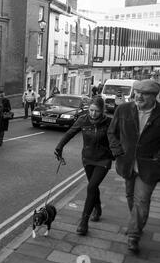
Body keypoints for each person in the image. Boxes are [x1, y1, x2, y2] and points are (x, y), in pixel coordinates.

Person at [107, 79, 160, 253]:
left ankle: (133, 235)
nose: (139, 96)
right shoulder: (123, 110)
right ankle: (136, 223)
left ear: (154, 96)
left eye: (144, 93)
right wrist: (117, 151)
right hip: (127, 164)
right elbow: (111, 132)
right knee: (130, 197)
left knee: (141, 200)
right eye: (137, 92)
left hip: (149, 167)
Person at [55, 97, 113, 236]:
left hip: (103, 159)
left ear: (102, 111)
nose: (93, 114)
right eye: (91, 110)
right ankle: (97, 208)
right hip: (87, 158)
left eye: (97, 111)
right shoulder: (83, 119)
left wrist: (118, 153)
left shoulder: (109, 122)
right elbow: (70, 133)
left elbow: (119, 138)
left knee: (91, 187)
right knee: (93, 186)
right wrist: (59, 147)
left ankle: (84, 222)